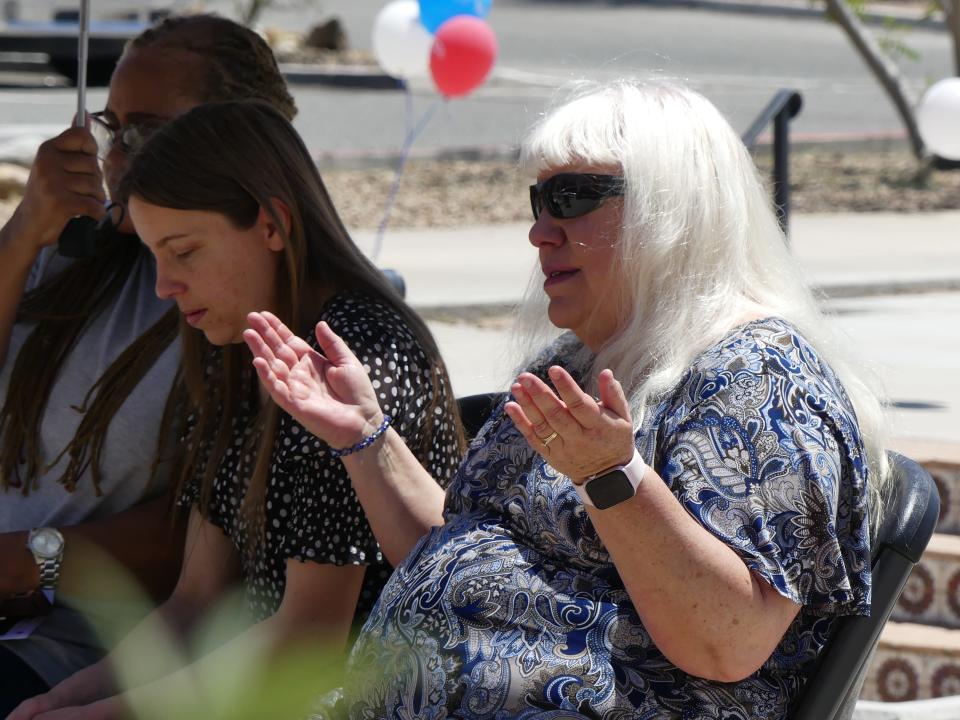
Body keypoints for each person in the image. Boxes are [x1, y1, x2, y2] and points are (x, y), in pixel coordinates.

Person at [244, 80, 892, 719]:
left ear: (675, 209)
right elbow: (449, 549)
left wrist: (613, 478)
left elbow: (727, 641)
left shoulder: (763, 378)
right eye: (539, 201)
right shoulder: (578, 360)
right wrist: (365, 437)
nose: (541, 233)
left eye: (573, 197)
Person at [8, 100, 464, 720]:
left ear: (272, 224)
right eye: (155, 256)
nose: (164, 285)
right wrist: (65, 699)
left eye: (185, 251)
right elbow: (194, 600)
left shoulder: (348, 357)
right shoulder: (234, 349)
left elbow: (312, 640)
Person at [0, 14, 299, 714]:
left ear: (239, 137)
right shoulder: (73, 246)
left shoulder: (243, 297)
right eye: (112, 126)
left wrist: (26, 563)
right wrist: (21, 232)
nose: (118, 153)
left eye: (149, 131)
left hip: (80, 650)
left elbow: (194, 546)